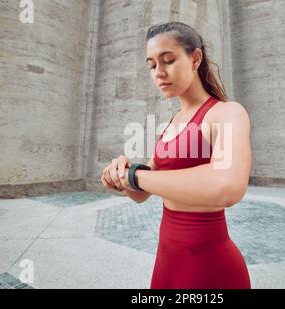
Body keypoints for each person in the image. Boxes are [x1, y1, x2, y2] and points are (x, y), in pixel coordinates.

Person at [101, 21, 252, 289]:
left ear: (195, 58)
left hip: (210, 265)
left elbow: (228, 186)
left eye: (168, 60)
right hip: (166, 262)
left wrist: (136, 177)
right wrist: (121, 176)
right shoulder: (171, 123)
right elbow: (142, 193)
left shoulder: (226, 113)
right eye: (151, 65)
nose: (158, 72)